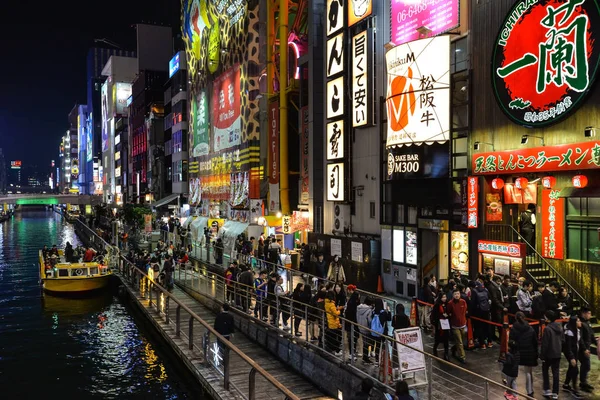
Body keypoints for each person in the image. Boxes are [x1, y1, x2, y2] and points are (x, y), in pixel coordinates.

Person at [510, 312, 538, 397]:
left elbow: (511, 341)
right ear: (524, 318)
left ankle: (514, 392)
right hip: (529, 352)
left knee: (513, 373)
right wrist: (536, 353)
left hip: (517, 352)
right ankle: (530, 391)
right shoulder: (530, 328)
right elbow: (535, 342)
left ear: (516, 318)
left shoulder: (514, 328)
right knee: (528, 373)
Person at [541, 310, 564, 399]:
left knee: (545, 371)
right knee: (556, 373)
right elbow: (563, 340)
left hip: (548, 354)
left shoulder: (547, 329)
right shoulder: (560, 327)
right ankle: (555, 393)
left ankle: (547, 390)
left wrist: (542, 355)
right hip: (557, 353)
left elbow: (545, 344)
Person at [563, 315, 584, 398]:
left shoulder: (577, 330)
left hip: (575, 351)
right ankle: (575, 389)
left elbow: (579, 341)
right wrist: (571, 357)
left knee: (571, 367)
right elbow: (568, 347)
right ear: (574, 322)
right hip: (570, 352)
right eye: (578, 321)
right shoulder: (569, 332)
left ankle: (566, 384)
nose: (580, 322)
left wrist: (585, 349)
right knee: (575, 370)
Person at [447, 289, 468, 364]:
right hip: (455, 325)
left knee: (461, 340)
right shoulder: (450, 303)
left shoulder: (463, 302)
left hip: (463, 324)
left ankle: (453, 348)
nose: (457, 295)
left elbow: (465, 311)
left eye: (458, 294)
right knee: (459, 342)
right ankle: (462, 357)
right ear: (453, 295)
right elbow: (448, 313)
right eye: (455, 294)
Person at [579, 307, 595, 393]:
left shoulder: (588, 323)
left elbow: (591, 335)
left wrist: (597, 343)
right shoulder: (580, 323)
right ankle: (582, 383)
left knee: (586, 365)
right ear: (583, 313)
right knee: (586, 365)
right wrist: (584, 349)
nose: (590, 315)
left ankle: (583, 382)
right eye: (589, 313)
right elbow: (580, 338)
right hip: (582, 349)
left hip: (587, 347)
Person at [431, 293, 450, 360]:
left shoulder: (448, 304)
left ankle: (446, 354)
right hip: (439, 325)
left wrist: (448, 315)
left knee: (446, 340)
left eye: (445, 297)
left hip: (446, 324)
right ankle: (435, 349)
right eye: (443, 297)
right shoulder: (437, 305)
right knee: (437, 339)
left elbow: (449, 312)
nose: (444, 298)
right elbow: (434, 315)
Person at [324, 290, 343, 355]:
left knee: (332, 337)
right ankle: (337, 350)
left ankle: (332, 349)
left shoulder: (326, 303)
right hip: (334, 323)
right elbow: (335, 313)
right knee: (337, 336)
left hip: (330, 322)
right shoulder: (331, 304)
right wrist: (339, 310)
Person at [345, 284, 361, 357]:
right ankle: (353, 351)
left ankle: (352, 352)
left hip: (349, 323)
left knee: (351, 337)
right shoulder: (356, 303)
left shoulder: (350, 302)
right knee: (354, 337)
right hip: (354, 323)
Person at [357, 297, 374, 364]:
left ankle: (365, 357)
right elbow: (370, 321)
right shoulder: (369, 310)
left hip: (360, 327)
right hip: (366, 329)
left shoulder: (358, 308)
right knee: (367, 344)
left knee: (364, 342)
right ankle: (366, 357)